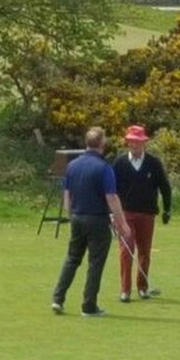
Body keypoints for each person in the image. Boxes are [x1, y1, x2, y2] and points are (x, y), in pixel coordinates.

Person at [51, 127, 131, 317]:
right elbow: (112, 197)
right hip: (97, 219)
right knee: (95, 263)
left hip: (77, 217)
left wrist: (71, 215)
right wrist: (122, 223)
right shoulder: (104, 168)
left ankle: (57, 298)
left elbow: (67, 196)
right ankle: (89, 305)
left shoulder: (72, 165)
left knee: (72, 259)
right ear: (102, 143)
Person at [112, 124, 172, 302]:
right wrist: (112, 213)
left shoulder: (153, 163)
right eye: (131, 142)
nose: (134, 145)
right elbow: (111, 190)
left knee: (144, 251)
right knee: (127, 249)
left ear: (143, 143)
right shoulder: (120, 163)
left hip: (147, 214)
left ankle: (142, 287)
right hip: (125, 213)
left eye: (138, 142)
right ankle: (125, 290)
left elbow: (165, 187)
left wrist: (167, 209)